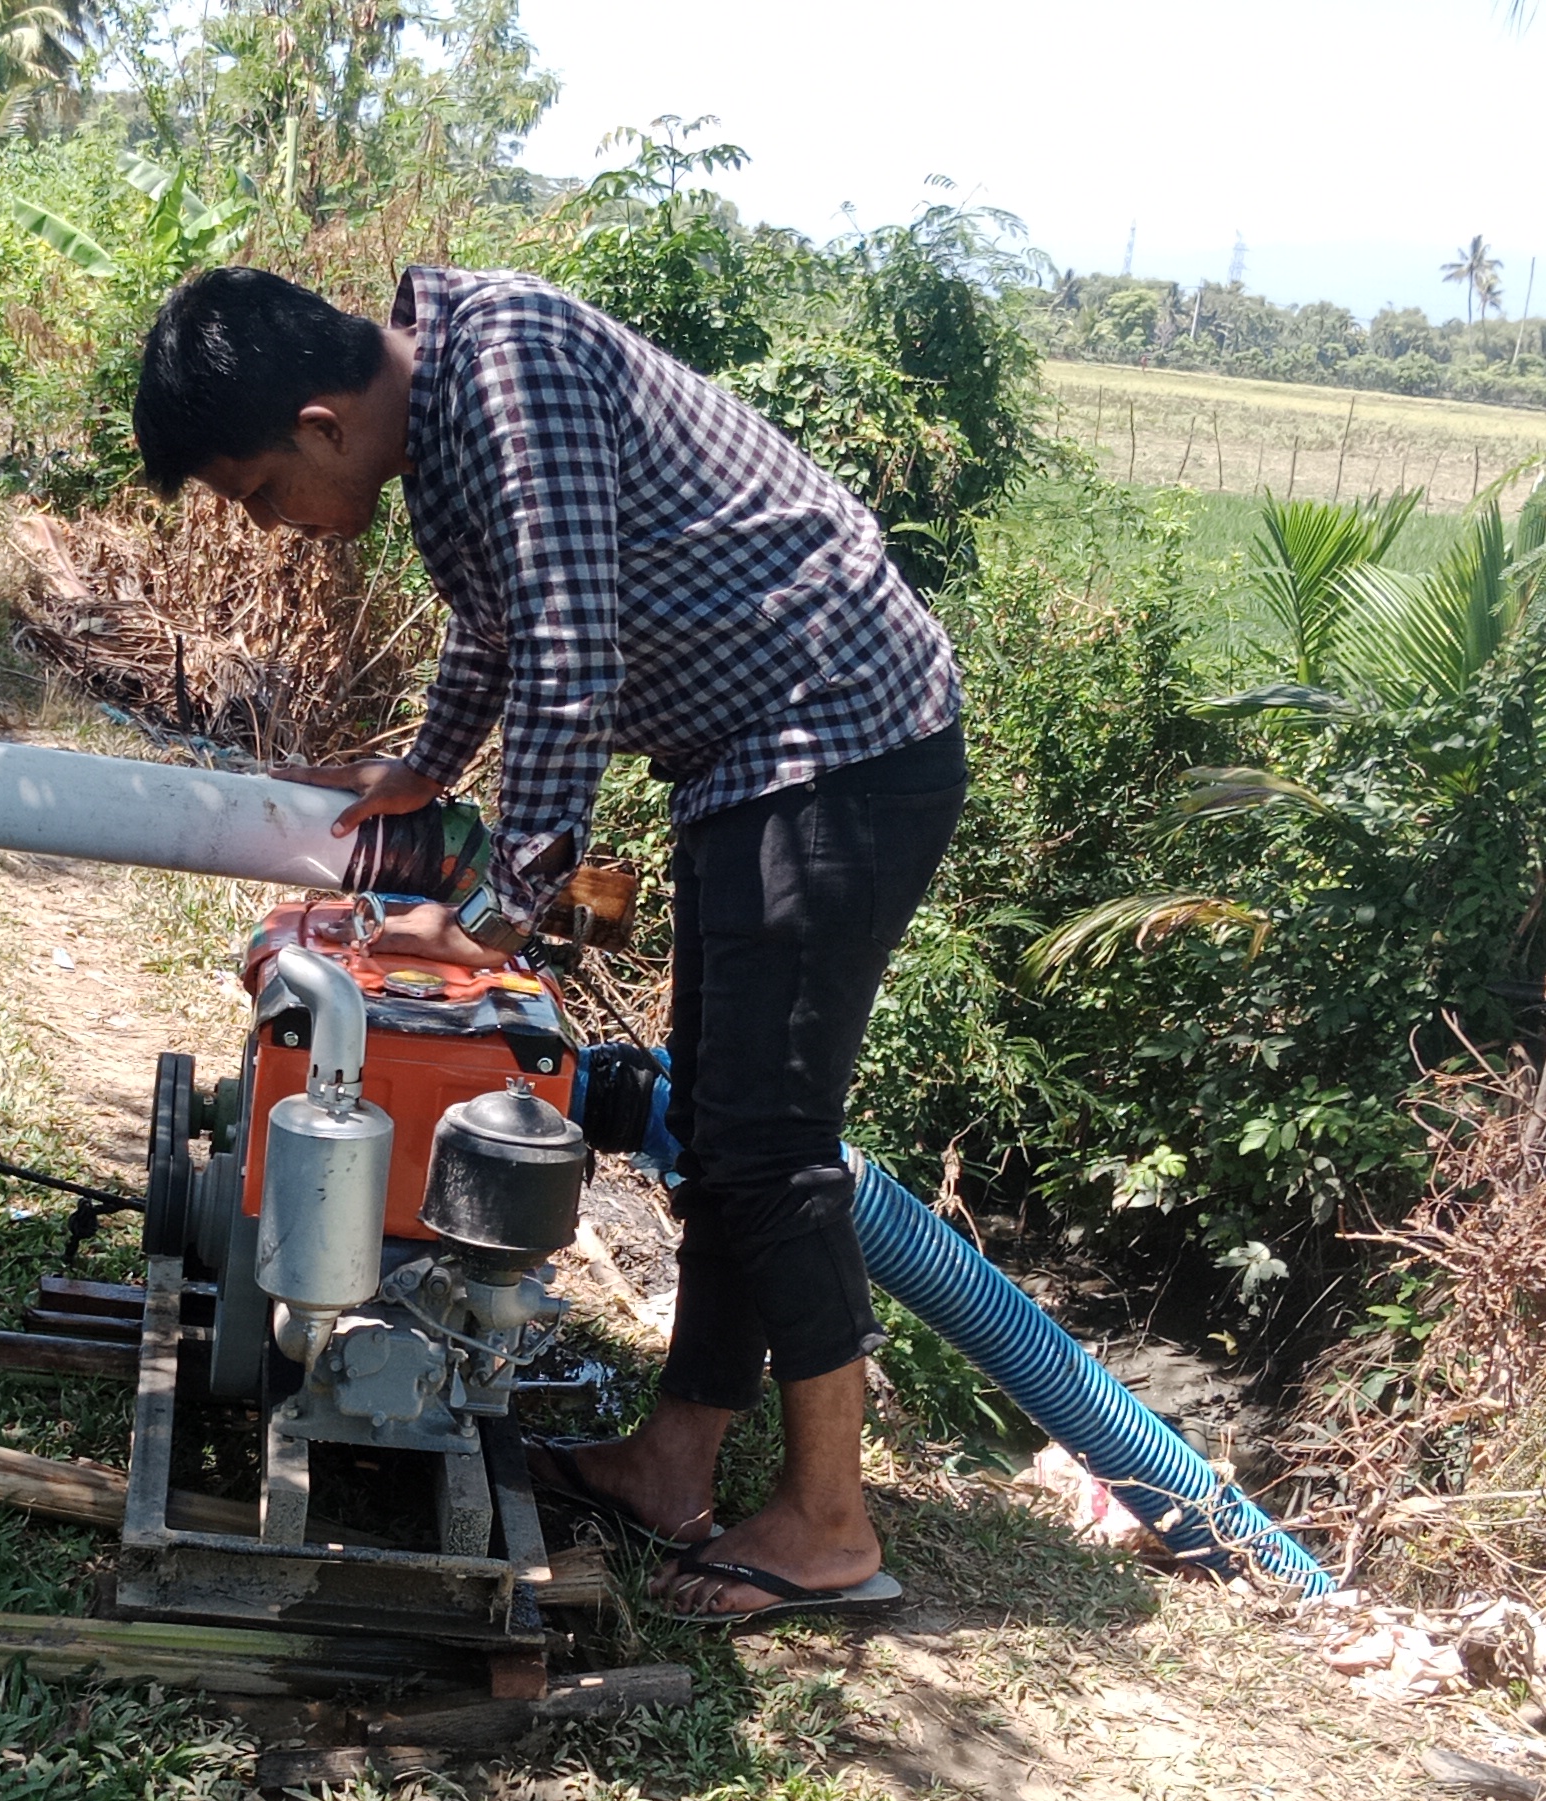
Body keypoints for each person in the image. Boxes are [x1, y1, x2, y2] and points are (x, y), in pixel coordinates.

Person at [131, 264, 968, 1625]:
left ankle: (829, 1524)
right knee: (721, 1121)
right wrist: (428, 763)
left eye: (261, 490)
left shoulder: (510, 374)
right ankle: (674, 1459)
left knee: (769, 1146)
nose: (275, 524)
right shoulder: (443, 424)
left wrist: (489, 919)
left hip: (842, 747)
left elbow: (571, 659)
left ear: (322, 422)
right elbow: (497, 624)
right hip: (747, 761)